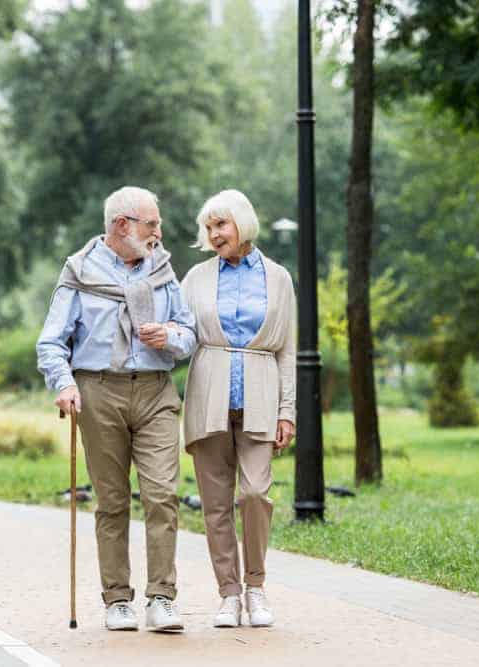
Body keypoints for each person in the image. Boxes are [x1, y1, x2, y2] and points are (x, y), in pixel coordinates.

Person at [36, 186, 196, 632]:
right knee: (112, 500)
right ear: (122, 225)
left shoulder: (163, 269)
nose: (159, 233)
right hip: (98, 391)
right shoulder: (80, 271)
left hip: (155, 390)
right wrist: (64, 384)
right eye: (152, 224)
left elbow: (188, 331)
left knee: (163, 494)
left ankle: (162, 597)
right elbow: (51, 342)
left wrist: (171, 336)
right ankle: (117, 599)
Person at [178, 189, 296, 628]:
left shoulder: (279, 278)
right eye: (208, 228)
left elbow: (287, 349)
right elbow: (181, 332)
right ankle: (228, 593)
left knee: (253, 494)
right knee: (214, 503)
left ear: (241, 224)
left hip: (262, 395)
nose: (213, 235)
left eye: (220, 226)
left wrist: (289, 411)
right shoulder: (196, 278)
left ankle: (256, 587)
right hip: (208, 392)